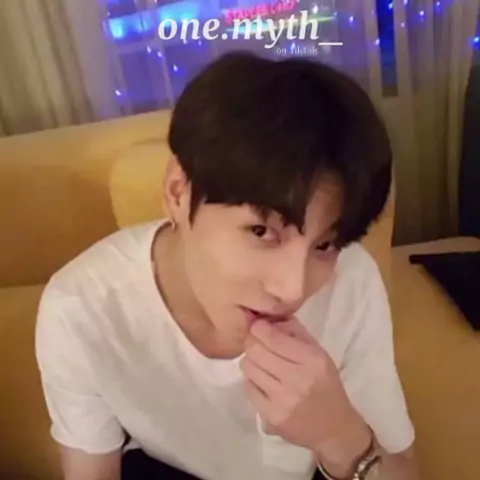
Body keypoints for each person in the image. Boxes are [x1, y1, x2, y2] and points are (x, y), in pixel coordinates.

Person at [35, 51, 419, 480]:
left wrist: (339, 437)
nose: (292, 288)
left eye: (324, 244)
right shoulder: (81, 309)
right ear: (178, 192)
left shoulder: (351, 283)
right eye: (261, 231)